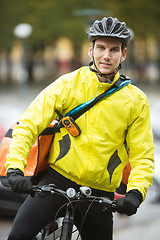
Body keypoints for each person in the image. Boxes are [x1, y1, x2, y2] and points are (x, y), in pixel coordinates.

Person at [5, 17, 154, 240]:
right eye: (101, 47)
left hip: (99, 191)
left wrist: (135, 193)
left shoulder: (136, 100)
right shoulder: (67, 85)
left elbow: (143, 155)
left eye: (114, 50)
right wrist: (15, 168)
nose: (106, 55)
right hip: (57, 180)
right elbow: (28, 125)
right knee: (18, 236)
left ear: (123, 55)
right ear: (90, 50)